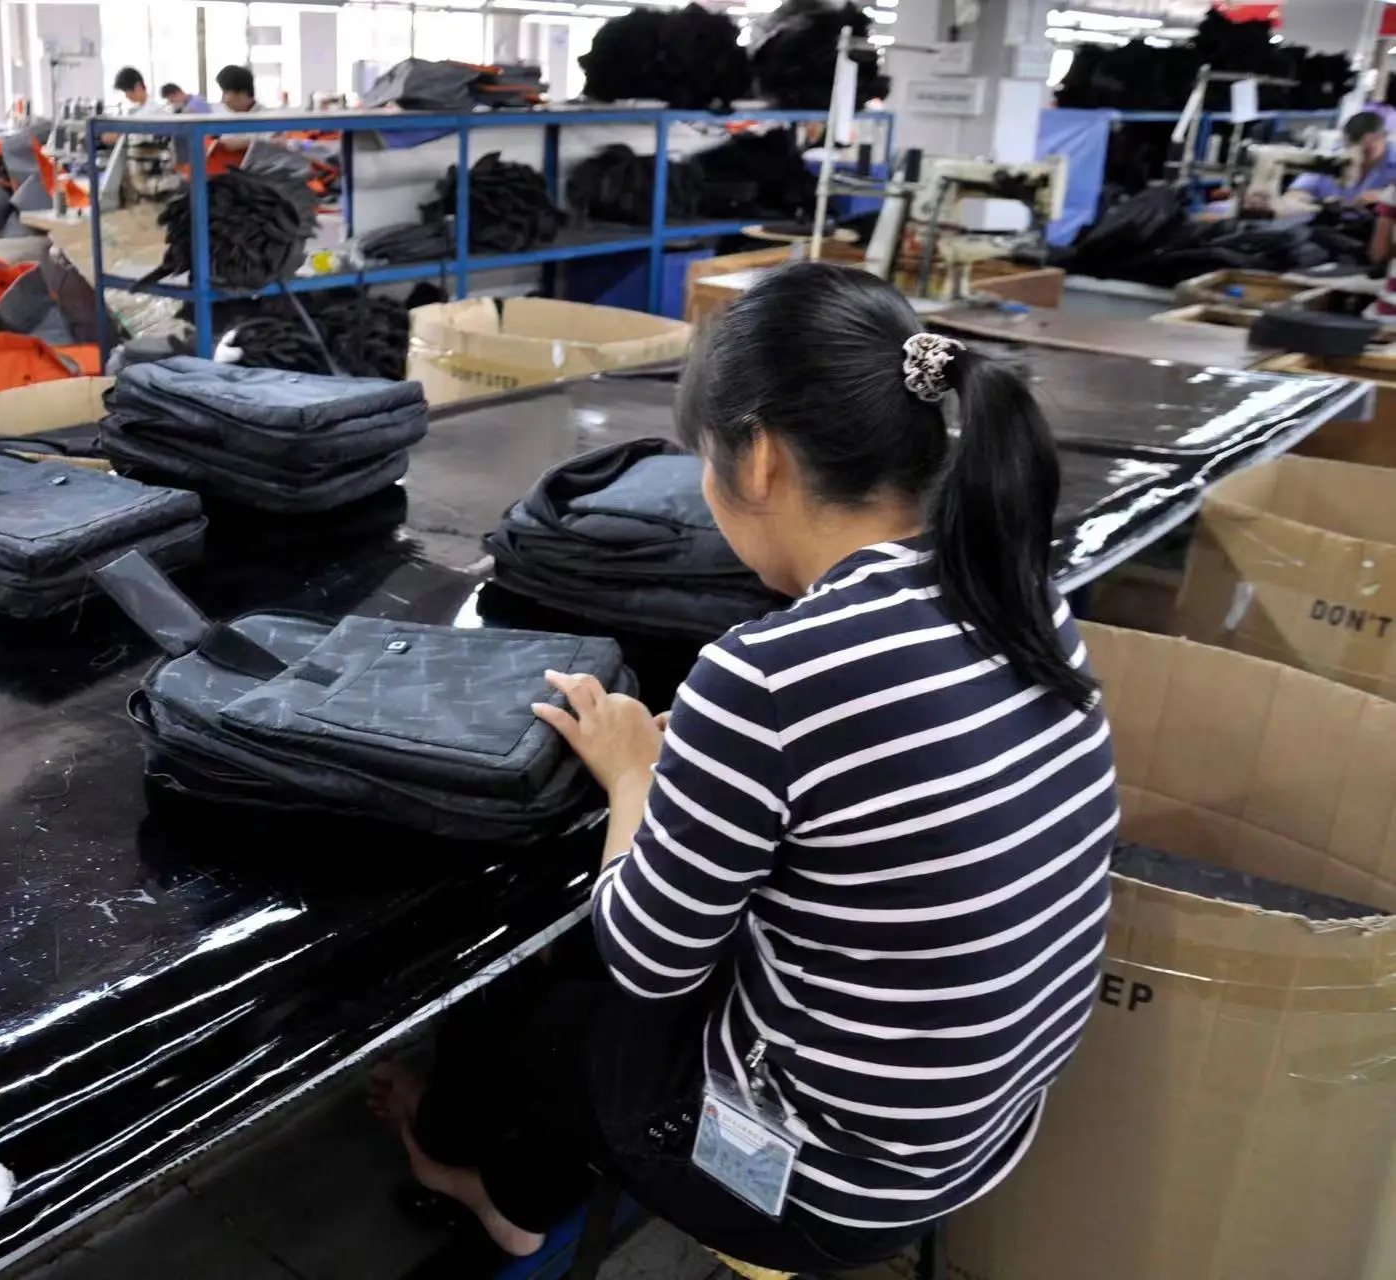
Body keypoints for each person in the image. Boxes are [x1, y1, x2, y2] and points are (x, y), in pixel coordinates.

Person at [370, 262, 1119, 1272]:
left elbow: (648, 960)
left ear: (759, 458)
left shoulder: (767, 674)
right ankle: (518, 1189)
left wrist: (634, 772)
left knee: (532, 1004)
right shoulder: (1021, 595)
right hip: (975, 1140)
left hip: (817, 1187)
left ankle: (476, 1174)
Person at [1284, 109, 1396, 207]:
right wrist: (1309, 200)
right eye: (1353, 149)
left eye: (1367, 151)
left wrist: (1382, 196)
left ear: (1383, 139)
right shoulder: (1335, 156)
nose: (1360, 159)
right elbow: (1299, 190)